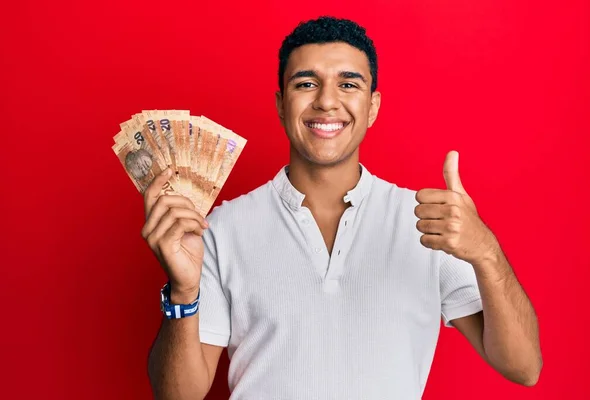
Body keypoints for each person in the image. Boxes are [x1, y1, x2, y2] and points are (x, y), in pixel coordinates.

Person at [144, 16, 542, 400]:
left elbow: (524, 368)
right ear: (282, 105)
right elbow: (179, 395)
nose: (327, 101)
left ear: (372, 106)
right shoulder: (221, 228)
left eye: (348, 84)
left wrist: (486, 252)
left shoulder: (427, 222)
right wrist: (183, 290)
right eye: (306, 83)